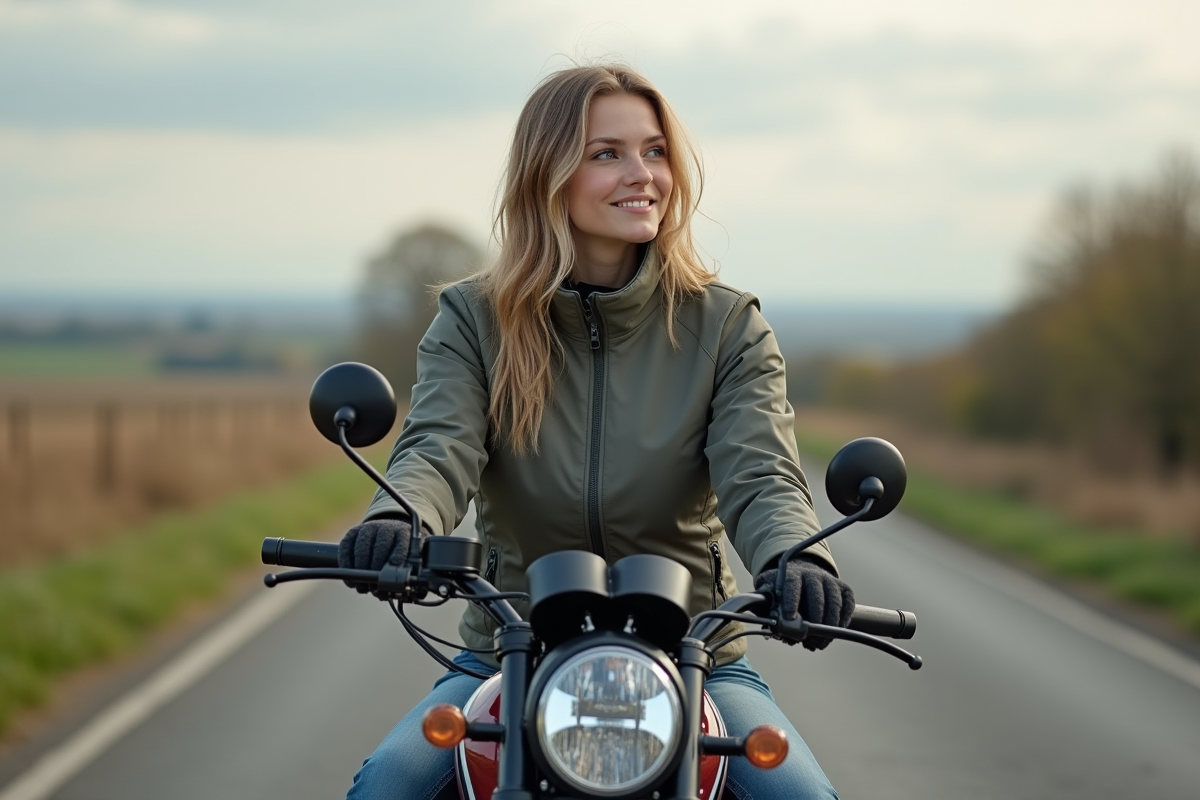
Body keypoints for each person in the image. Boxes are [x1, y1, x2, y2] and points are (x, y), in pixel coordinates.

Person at [339, 63, 854, 800]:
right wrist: (400, 516)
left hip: (693, 651)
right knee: (386, 786)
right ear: (547, 175)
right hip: (509, 646)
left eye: (654, 151)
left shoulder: (726, 325)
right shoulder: (474, 320)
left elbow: (761, 473)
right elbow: (437, 447)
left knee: (803, 798)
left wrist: (796, 561)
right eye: (606, 153)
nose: (642, 174)